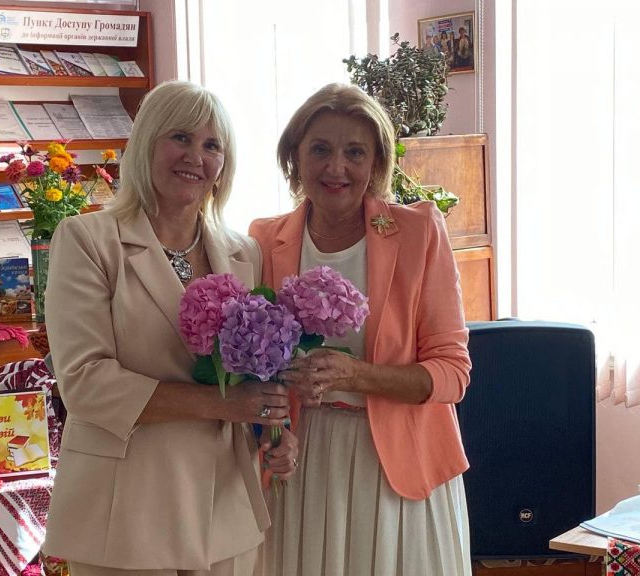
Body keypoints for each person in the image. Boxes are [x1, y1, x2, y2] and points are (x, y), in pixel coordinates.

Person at [42, 81, 298, 576]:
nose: (195, 157)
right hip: (124, 508)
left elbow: (252, 373)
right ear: (146, 143)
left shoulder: (245, 252)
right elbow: (86, 383)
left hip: (225, 506)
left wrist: (274, 429)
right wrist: (225, 405)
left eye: (212, 145)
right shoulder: (88, 240)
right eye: (180, 137)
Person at [249, 83, 472, 576]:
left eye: (355, 152)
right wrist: (270, 423)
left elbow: (452, 373)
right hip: (302, 463)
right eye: (320, 150)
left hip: (398, 465)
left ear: (376, 163)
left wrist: (356, 375)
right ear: (294, 157)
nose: (337, 167)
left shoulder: (418, 231)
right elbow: (250, 366)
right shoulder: (263, 239)